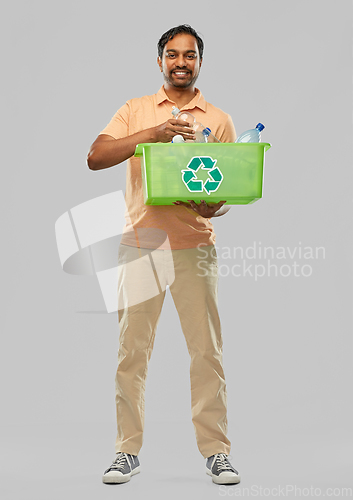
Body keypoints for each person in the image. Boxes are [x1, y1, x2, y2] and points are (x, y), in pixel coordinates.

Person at [87, 24, 241, 486]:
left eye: (189, 55)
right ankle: (125, 452)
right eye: (172, 55)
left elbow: (227, 189)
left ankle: (217, 452)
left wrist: (215, 204)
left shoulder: (219, 119)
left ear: (199, 62)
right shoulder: (135, 111)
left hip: (195, 246)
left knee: (206, 354)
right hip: (142, 245)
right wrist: (153, 132)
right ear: (160, 62)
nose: (180, 62)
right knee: (131, 353)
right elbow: (95, 156)